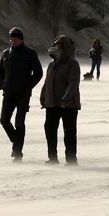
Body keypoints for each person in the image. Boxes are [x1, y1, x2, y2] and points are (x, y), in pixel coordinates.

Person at [0, 27, 43, 162]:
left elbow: (38, 73)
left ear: (21, 40)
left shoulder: (30, 54)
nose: (13, 42)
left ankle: (17, 153)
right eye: (11, 39)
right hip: (8, 94)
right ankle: (17, 143)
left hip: (23, 95)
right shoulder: (6, 53)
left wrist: (28, 87)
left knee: (19, 123)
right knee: (4, 120)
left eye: (15, 39)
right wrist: (2, 84)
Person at [40, 34, 82, 165]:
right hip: (52, 103)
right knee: (49, 129)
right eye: (55, 45)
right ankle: (52, 158)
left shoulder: (73, 64)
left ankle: (71, 160)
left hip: (68, 105)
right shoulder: (51, 65)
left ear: (65, 48)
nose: (55, 48)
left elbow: (73, 83)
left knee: (69, 132)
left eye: (58, 46)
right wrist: (43, 96)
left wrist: (66, 98)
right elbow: (47, 83)